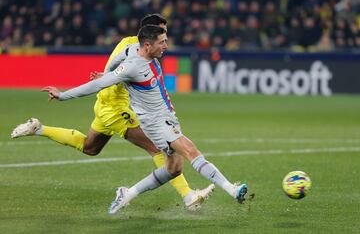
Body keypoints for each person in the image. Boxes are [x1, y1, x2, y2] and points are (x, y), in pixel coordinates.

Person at [10, 14, 214, 211]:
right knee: (157, 147)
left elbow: (114, 67)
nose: (165, 39)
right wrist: (65, 95)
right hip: (116, 108)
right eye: (162, 33)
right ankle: (189, 196)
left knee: (89, 147)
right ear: (150, 33)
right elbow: (119, 73)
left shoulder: (128, 43)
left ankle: (39, 128)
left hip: (105, 105)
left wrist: (108, 74)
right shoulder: (136, 50)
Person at [40, 25, 249, 214]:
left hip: (168, 118)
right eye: (162, 41)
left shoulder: (138, 52)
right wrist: (64, 95)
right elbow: (97, 85)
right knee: (191, 151)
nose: (166, 45)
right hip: (156, 124)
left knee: (173, 168)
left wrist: (106, 73)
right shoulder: (132, 66)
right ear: (148, 45)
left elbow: (116, 61)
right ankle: (233, 189)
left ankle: (127, 194)